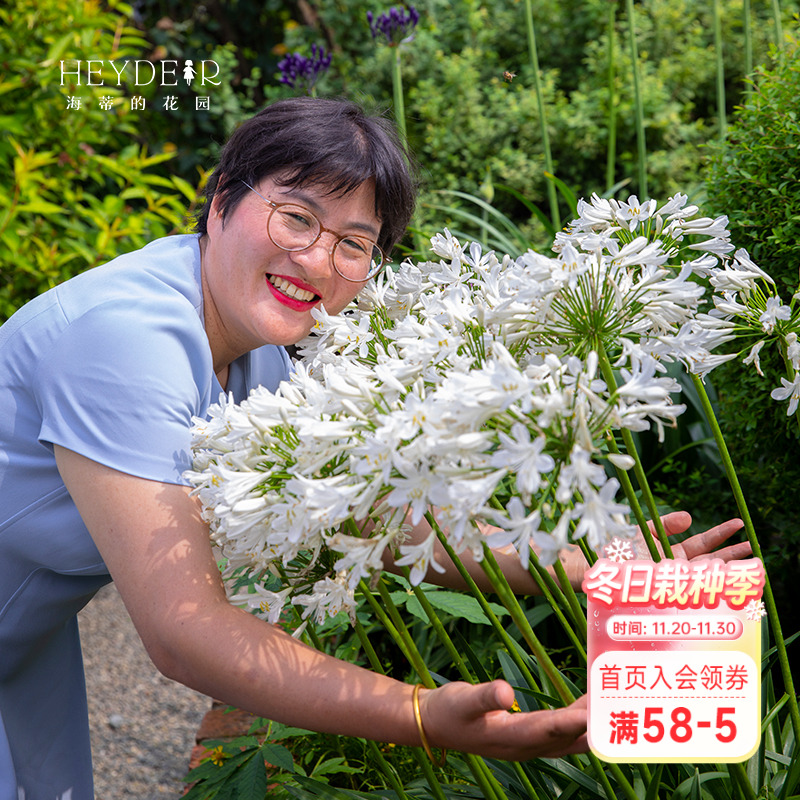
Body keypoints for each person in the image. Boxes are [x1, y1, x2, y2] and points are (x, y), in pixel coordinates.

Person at [0, 97, 751, 799]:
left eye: (356, 244)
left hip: (25, 639)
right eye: (297, 217)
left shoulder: (262, 346)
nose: (321, 263)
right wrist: (422, 716)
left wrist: (577, 564)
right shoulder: (125, 340)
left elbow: (369, 530)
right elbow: (184, 630)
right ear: (224, 195)